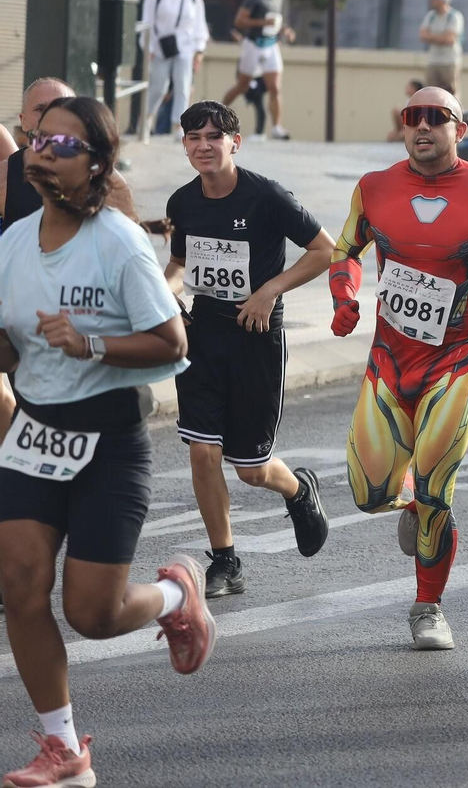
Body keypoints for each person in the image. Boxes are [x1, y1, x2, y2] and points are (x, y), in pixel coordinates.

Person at [0, 96, 213, 788]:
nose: (41, 147)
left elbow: (172, 339)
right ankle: (63, 749)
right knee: (21, 582)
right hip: (35, 432)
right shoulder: (9, 245)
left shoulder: (117, 240)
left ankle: (178, 595)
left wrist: (88, 340)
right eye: (37, 137)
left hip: (109, 439)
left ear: (95, 163)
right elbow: (9, 350)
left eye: (62, 142)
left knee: (92, 612)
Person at [329, 86, 468, 651]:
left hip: (454, 358)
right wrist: (345, 296)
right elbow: (345, 251)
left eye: (436, 118)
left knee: (436, 486)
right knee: (371, 495)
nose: (422, 127)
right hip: (389, 360)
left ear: (460, 128)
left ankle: (428, 607)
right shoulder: (374, 188)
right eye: (412, 117)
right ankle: (409, 500)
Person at [162, 101, 335, 597]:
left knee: (252, 468)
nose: (203, 146)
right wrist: (165, 290)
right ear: (184, 146)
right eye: (194, 138)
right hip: (202, 333)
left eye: (214, 137)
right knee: (201, 451)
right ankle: (226, 560)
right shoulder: (182, 202)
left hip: (256, 337)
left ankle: (298, 489)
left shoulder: (267, 196)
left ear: (235, 143)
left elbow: (325, 249)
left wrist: (269, 291)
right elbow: (178, 261)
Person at [3, 79, 139, 232]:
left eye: (61, 107)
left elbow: (129, 241)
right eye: (41, 109)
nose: (51, 116)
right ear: (24, 121)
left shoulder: (109, 182)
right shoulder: (5, 176)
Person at [139, 0, 209, 144]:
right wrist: (149, 48)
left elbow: (199, 23)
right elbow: (148, 20)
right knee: (158, 86)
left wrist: (199, 49)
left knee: (183, 85)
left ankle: (180, 126)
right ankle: (146, 119)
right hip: (162, 46)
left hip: (185, 46)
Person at [223, 0, 294, 140]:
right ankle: (217, 115)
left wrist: (285, 30)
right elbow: (240, 21)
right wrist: (262, 23)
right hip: (253, 44)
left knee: (275, 88)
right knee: (242, 85)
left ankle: (277, 127)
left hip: (271, 45)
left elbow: (275, 23)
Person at [418, 0, 465, 94]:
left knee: (451, 91)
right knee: (430, 91)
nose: (432, 2)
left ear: (442, 0)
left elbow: (449, 39)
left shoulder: (454, 16)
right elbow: (422, 35)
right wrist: (441, 37)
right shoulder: (430, 16)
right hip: (433, 60)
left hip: (450, 61)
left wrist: (432, 36)